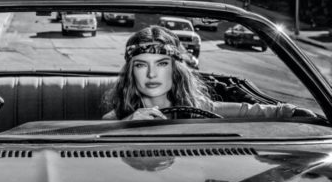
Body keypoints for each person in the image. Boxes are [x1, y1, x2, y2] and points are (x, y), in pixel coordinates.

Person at [102, 25, 317, 121]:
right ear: (131, 72)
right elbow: (84, 135)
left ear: (176, 70)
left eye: (161, 64)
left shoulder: (199, 109)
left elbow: (251, 111)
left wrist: (289, 112)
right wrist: (127, 123)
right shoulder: (116, 118)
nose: (151, 74)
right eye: (140, 65)